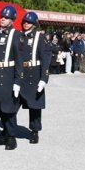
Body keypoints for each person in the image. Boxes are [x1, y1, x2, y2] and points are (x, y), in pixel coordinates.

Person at [0, 5, 23, 150]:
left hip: (6, 73)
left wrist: (17, 81)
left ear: (12, 20)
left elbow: (20, 60)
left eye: (6, 18)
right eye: (2, 17)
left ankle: (11, 136)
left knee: (8, 108)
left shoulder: (16, 35)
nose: (3, 19)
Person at [18, 12, 53, 144]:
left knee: (35, 105)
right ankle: (8, 129)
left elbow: (46, 58)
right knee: (12, 103)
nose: (25, 24)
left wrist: (44, 78)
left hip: (34, 72)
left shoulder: (40, 37)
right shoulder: (19, 36)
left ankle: (34, 131)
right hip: (21, 72)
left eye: (29, 22)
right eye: (24, 22)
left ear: (34, 24)